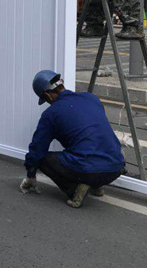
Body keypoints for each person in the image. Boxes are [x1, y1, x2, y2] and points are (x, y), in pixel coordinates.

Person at [20, 70, 125, 208]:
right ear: (61, 85)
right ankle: (96, 186)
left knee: (42, 159)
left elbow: (37, 149)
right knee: (90, 148)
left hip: (89, 170)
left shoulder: (51, 114)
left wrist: (31, 176)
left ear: (47, 95)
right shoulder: (91, 98)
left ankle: (74, 190)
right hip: (116, 167)